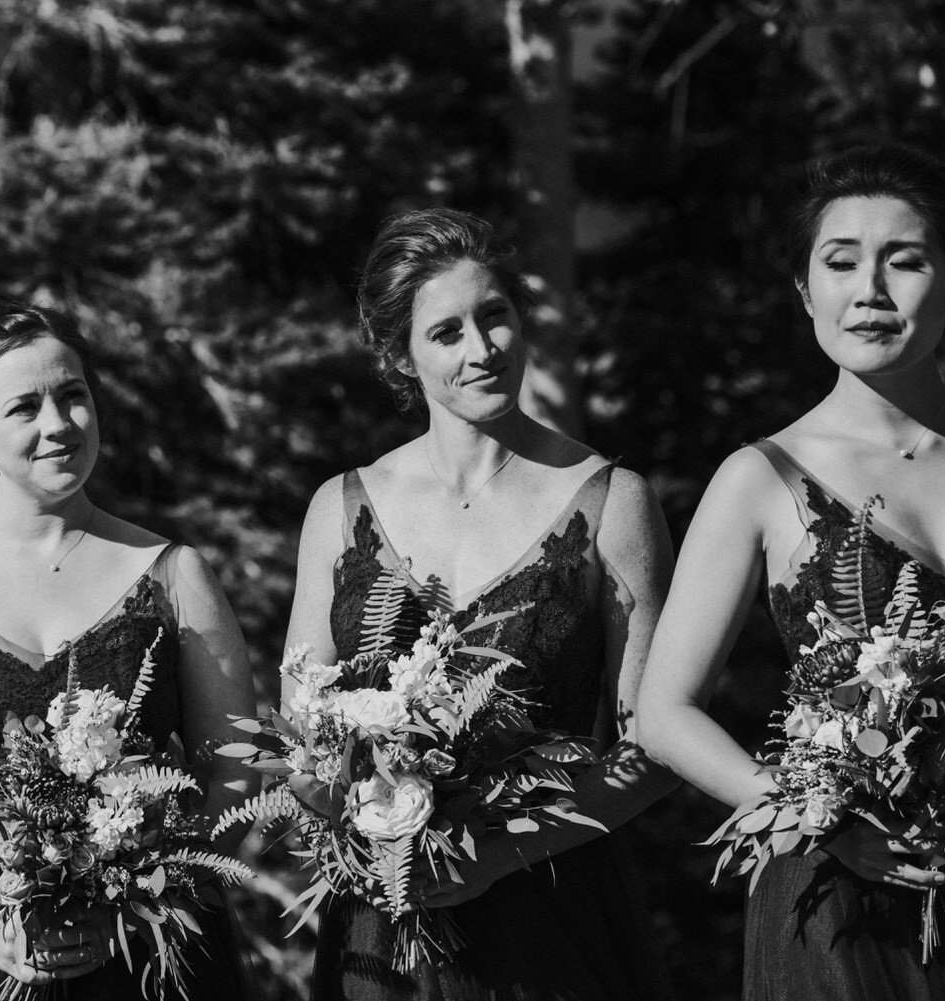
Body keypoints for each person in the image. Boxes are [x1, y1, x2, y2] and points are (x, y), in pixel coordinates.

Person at [285, 208, 679, 1001]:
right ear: (400, 354)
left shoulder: (614, 502)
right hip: (384, 925)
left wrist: (495, 853)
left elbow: (656, 748)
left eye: (495, 317)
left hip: (555, 919)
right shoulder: (340, 506)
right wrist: (353, 810)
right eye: (448, 333)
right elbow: (300, 731)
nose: (482, 350)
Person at [0, 301, 258, 1001]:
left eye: (73, 395)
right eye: (25, 407)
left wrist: (139, 898)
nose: (59, 424)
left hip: (146, 965)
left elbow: (237, 769)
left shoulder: (173, 573)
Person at [638, 145, 945, 999]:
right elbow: (661, 714)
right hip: (836, 911)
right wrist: (817, 819)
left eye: (908, 260)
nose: (872, 290)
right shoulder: (759, 476)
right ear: (804, 293)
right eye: (842, 261)